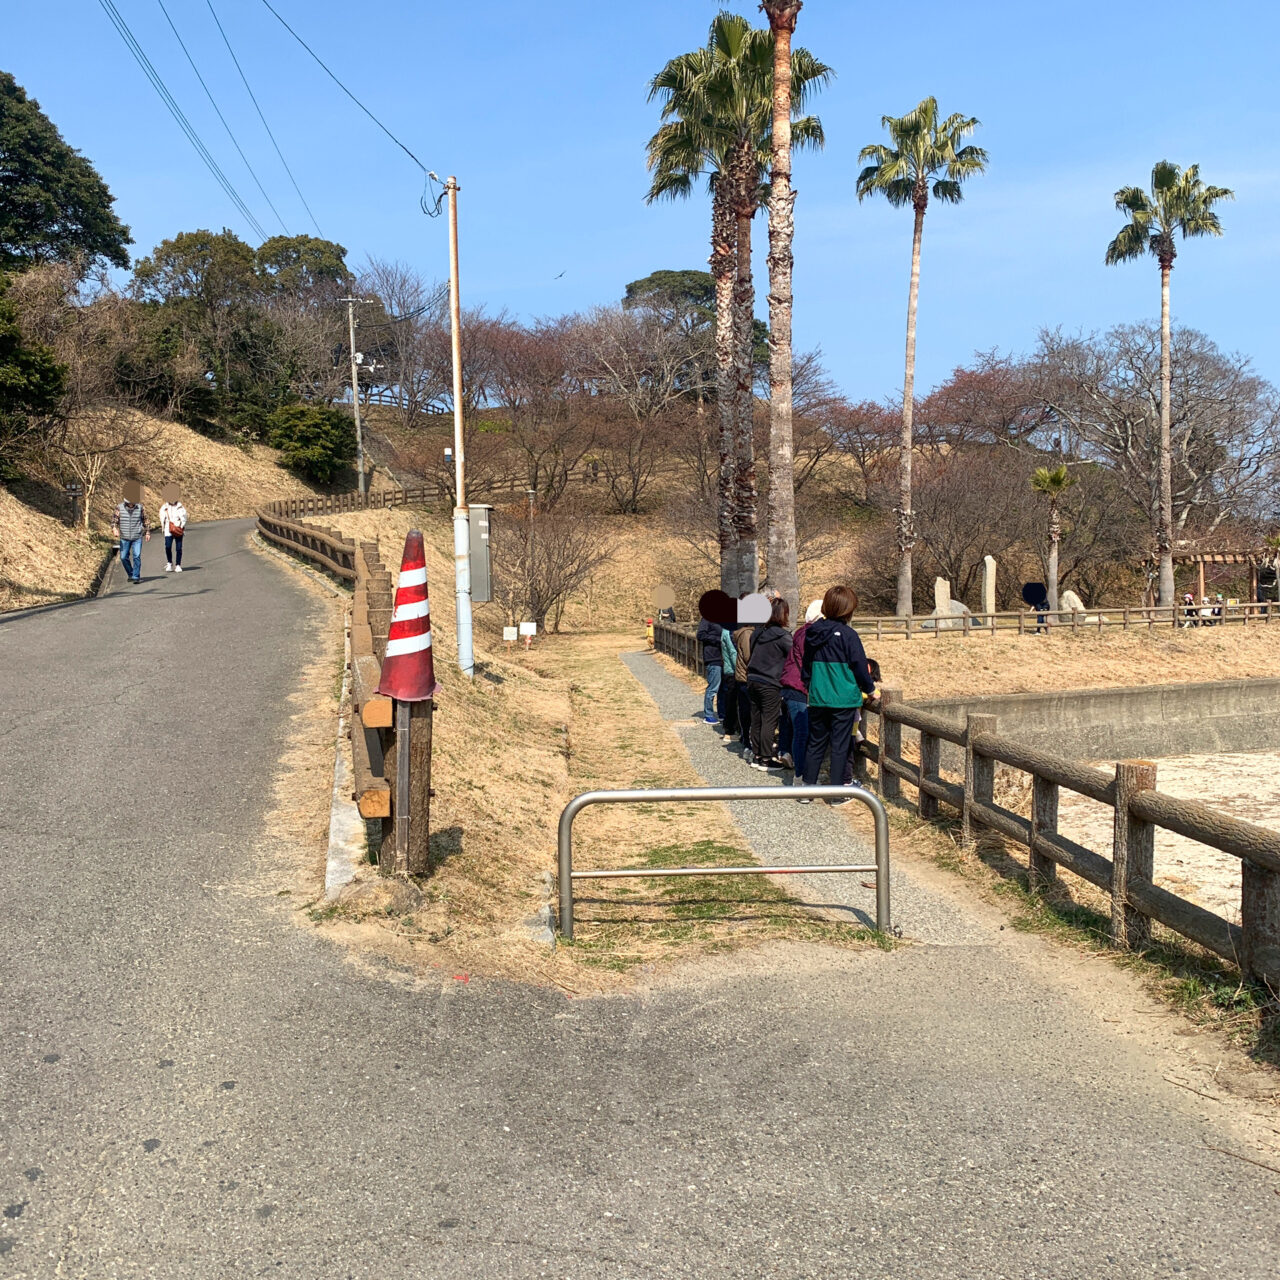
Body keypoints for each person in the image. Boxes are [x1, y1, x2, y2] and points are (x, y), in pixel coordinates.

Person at [800, 585, 876, 805]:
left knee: (816, 742)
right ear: (848, 610)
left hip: (818, 696)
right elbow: (860, 667)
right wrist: (870, 690)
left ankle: (807, 790)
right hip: (843, 698)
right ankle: (836, 794)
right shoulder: (849, 636)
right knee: (840, 745)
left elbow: (806, 666)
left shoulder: (812, 633)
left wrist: (809, 685)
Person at [778, 598, 823, 780]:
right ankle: (801, 775)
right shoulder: (808, 635)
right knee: (802, 731)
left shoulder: (802, 632)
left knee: (798, 729)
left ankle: (797, 764)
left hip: (794, 685)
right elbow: (810, 660)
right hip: (798, 687)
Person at [745, 598, 792, 770]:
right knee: (769, 720)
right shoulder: (783, 637)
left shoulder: (757, 633)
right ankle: (766, 758)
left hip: (752, 678)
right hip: (770, 682)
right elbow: (794, 656)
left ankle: (756, 755)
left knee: (756, 718)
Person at [112, 484, 150, 584]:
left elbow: (145, 520)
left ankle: (136, 576)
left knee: (136, 556)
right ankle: (131, 573)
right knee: (123, 557)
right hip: (124, 537)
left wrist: (147, 532)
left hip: (137, 536)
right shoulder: (119, 508)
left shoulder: (140, 508)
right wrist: (114, 529)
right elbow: (114, 520)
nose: (131, 504)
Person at [695, 613, 724, 726]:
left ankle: (722, 712)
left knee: (723, 688)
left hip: (723, 658)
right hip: (712, 657)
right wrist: (717, 639)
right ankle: (708, 714)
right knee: (713, 687)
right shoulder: (707, 618)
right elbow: (700, 635)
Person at [719, 623, 739, 742]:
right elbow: (733, 653)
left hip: (729, 670)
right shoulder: (730, 632)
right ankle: (730, 730)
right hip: (733, 671)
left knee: (730, 700)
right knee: (732, 701)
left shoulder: (726, 629)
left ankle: (730, 727)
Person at [159, 490, 188, 572]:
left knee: (179, 548)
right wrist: (163, 526)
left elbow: (184, 517)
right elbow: (162, 517)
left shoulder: (180, 507)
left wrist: (181, 526)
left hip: (178, 528)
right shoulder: (164, 507)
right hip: (168, 529)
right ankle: (169, 562)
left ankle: (178, 565)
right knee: (168, 546)